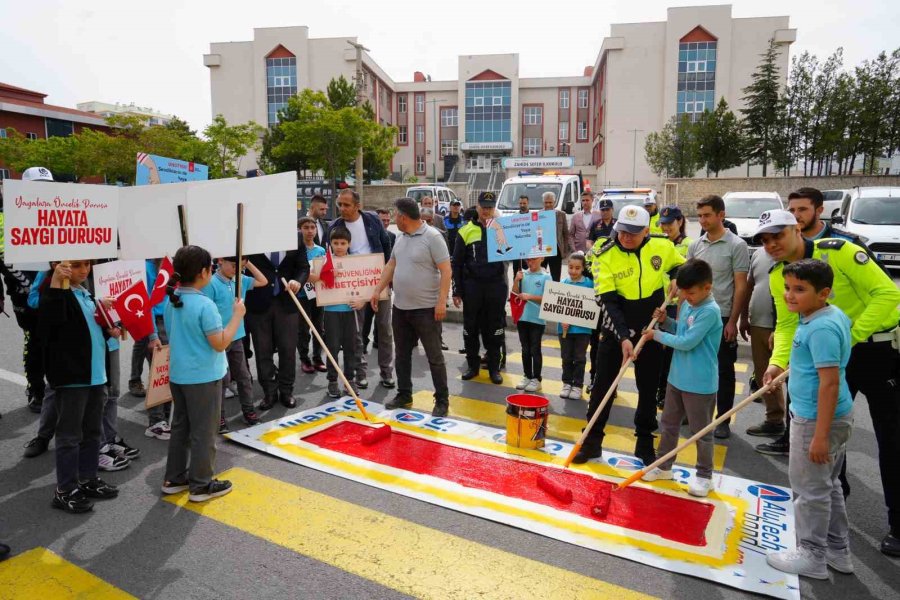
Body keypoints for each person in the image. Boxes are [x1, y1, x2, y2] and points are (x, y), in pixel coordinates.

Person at [756, 210, 900, 557]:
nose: (771, 244)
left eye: (778, 235)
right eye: (764, 239)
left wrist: (846, 338)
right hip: (828, 357)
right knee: (829, 439)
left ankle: (898, 523)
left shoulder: (838, 251)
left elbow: (888, 295)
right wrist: (777, 364)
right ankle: (834, 518)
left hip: (876, 351)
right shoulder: (780, 276)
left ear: (796, 228)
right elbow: (788, 326)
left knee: (892, 439)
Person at [766, 259, 855, 579]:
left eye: (800, 290)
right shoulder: (826, 316)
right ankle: (837, 549)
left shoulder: (820, 328)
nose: (790, 295)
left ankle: (812, 554)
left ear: (824, 293)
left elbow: (829, 383)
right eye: (788, 288)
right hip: (828, 417)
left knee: (809, 490)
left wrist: (818, 435)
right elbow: (818, 367)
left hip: (816, 420)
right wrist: (779, 369)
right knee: (827, 485)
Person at [577, 205, 686, 465]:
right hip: (616, 328)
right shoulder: (605, 254)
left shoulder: (662, 247)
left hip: (650, 327)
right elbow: (607, 301)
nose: (626, 237)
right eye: (622, 231)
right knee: (603, 387)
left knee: (647, 389)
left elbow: (681, 266)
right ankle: (591, 442)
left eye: (634, 233)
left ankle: (645, 443)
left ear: (647, 231)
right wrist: (624, 337)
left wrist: (676, 277)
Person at [161, 245, 244, 503]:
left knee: (181, 427)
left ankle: (174, 478)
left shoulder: (171, 300)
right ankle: (201, 484)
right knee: (204, 432)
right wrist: (237, 317)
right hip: (203, 377)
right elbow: (220, 343)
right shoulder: (204, 304)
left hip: (179, 375)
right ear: (204, 272)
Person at [40, 260, 120, 513]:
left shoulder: (86, 293)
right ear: (59, 266)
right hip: (73, 377)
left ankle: (87, 478)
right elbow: (51, 325)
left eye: (86, 264)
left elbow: (88, 331)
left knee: (92, 431)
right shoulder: (55, 292)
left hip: (95, 375)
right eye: (76, 265)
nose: (83, 270)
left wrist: (109, 328)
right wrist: (55, 285)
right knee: (69, 436)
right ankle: (65, 489)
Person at [639, 259, 722, 497]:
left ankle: (705, 476)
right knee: (669, 425)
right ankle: (664, 465)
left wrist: (657, 334)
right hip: (677, 377)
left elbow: (686, 343)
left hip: (700, 383)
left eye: (692, 292)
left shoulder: (710, 311)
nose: (686, 297)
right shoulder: (687, 303)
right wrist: (666, 322)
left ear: (708, 287)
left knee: (701, 432)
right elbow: (681, 330)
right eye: (683, 292)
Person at [374, 198, 452, 416]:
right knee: (402, 355)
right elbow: (391, 264)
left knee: (434, 356)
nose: (394, 219)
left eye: (395, 215)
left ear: (402, 217)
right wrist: (377, 290)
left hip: (427, 309)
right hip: (401, 308)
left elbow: (446, 270)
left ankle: (442, 399)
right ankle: (404, 393)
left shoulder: (433, 237)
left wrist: (441, 301)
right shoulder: (401, 237)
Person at [687, 195, 750, 439]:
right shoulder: (696, 245)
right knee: (696, 367)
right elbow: (688, 283)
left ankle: (722, 419)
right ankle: (694, 415)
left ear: (721, 215)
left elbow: (741, 286)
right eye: (700, 215)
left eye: (707, 215)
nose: (702, 220)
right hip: (696, 316)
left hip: (722, 317)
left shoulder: (737, 245)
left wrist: (733, 320)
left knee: (724, 370)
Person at [329, 189, 395, 390]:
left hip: (377, 281)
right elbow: (328, 258)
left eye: (346, 205)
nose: (342, 208)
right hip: (352, 285)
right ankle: (360, 373)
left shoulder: (372, 220)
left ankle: (387, 373)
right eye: (340, 204)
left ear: (358, 206)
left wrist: (387, 278)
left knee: (384, 328)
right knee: (357, 332)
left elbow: (386, 247)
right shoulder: (335, 226)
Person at [245, 229, 310, 410]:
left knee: (288, 349)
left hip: (287, 302)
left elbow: (303, 267)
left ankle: (286, 391)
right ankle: (269, 392)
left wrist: (298, 281)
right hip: (258, 303)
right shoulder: (251, 236)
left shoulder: (295, 236)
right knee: (262, 349)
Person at [203, 256, 267, 432]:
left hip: (237, 337)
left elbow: (263, 281)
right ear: (221, 261)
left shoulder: (241, 280)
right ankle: (220, 417)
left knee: (244, 377)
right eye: (233, 265)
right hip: (219, 338)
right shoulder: (211, 283)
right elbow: (206, 309)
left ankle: (249, 411)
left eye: (240, 266)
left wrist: (247, 262)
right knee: (222, 381)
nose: (236, 269)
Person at [452, 192, 507, 384]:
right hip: (473, 287)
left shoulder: (502, 228)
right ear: (477, 207)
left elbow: (516, 253)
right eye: (483, 206)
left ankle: (494, 368)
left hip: (495, 287)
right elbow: (457, 263)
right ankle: (472, 367)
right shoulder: (465, 231)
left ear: (494, 209)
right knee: (471, 329)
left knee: (495, 329)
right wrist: (457, 290)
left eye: (490, 207)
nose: (486, 210)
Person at [740, 247, 786, 442]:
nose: (770, 242)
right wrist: (744, 317)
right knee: (762, 374)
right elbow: (749, 286)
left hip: (785, 327)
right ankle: (774, 420)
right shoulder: (758, 254)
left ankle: (796, 428)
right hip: (758, 323)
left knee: (790, 379)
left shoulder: (794, 253)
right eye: (765, 237)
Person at [318, 227, 366, 398]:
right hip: (331, 311)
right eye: (335, 243)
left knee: (350, 347)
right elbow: (311, 278)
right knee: (331, 348)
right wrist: (326, 274)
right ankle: (332, 381)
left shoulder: (355, 263)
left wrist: (362, 301)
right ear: (330, 244)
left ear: (349, 244)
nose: (339, 246)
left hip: (350, 311)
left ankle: (349, 379)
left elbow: (364, 285)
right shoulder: (324, 262)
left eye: (343, 243)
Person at [654, 206, 693, 406]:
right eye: (663, 223)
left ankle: (666, 393)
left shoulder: (688, 244)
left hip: (678, 305)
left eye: (669, 223)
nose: (665, 227)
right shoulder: (657, 243)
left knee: (670, 351)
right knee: (657, 352)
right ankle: (658, 390)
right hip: (659, 303)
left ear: (680, 221)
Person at [512, 257, 551, 392]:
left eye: (533, 259)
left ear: (542, 259)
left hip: (537, 319)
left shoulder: (546, 277)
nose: (530, 262)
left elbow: (548, 299)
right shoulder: (522, 274)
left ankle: (537, 378)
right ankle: (527, 376)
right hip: (522, 317)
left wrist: (530, 296)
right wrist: (516, 280)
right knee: (525, 349)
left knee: (535, 349)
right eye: (528, 260)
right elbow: (514, 294)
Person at [558, 254, 593, 401]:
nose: (573, 271)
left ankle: (577, 385)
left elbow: (592, 307)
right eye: (571, 267)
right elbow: (556, 306)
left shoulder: (590, 284)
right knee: (566, 357)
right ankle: (566, 383)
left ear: (583, 268)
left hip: (582, 330)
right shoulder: (563, 283)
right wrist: (561, 321)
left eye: (577, 268)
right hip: (565, 330)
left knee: (579, 358)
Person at [297, 217, 327, 374]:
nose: (309, 231)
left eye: (312, 227)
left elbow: (323, 272)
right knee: (303, 329)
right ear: (299, 229)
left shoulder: (320, 251)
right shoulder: (296, 250)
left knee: (319, 328)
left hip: (317, 295)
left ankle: (317, 357)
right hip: (301, 295)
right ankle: (304, 358)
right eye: (305, 227)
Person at [540, 191, 571, 282]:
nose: (548, 204)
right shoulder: (538, 215)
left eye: (550, 202)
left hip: (556, 250)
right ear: (543, 202)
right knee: (541, 276)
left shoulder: (561, 214)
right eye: (546, 202)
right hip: (543, 250)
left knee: (556, 277)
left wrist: (564, 250)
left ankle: (554, 295)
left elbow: (565, 233)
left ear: (554, 202)